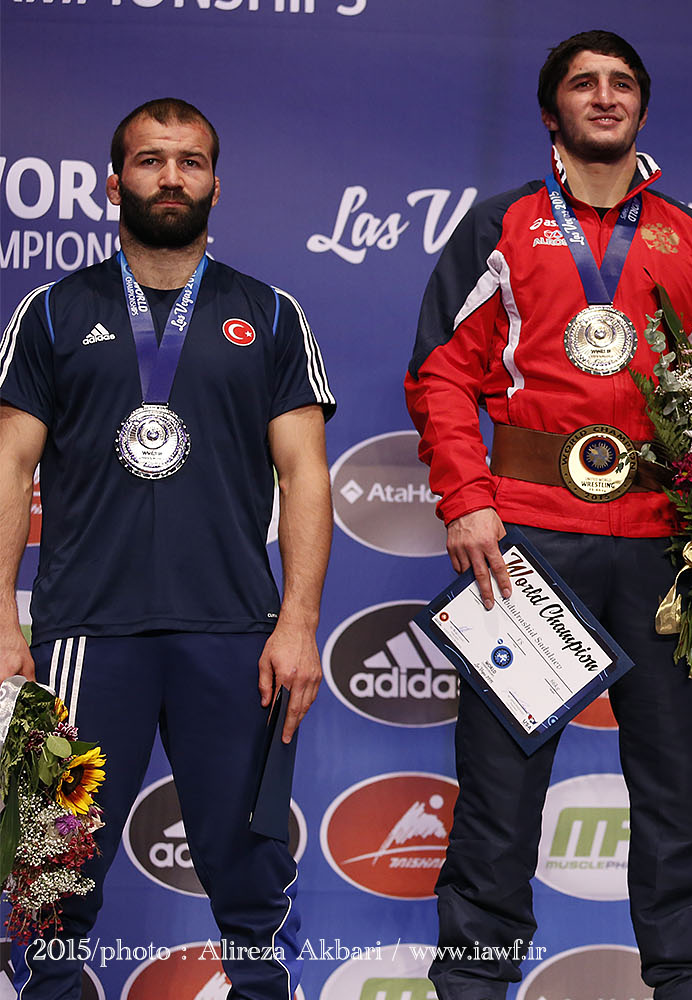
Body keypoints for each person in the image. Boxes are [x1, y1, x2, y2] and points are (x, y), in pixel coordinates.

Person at [404, 29, 692, 1000]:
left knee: (679, 791)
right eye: (584, 83)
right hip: (526, 541)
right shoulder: (503, 224)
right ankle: (475, 985)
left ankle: (689, 982)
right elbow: (441, 372)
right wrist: (467, 501)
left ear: (642, 105)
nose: (605, 96)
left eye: (622, 82)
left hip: (669, 546)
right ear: (552, 109)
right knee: (500, 793)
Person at [0, 98, 335, 999]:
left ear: (217, 184)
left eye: (190, 161)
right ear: (115, 184)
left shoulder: (270, 314)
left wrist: (299, 622)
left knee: (254, 881)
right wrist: (1, 620)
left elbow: (305, 475)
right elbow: (10, 466)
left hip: (234, 636)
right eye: (151, 160)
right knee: (50, 876)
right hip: (83, 635)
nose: (172, 177)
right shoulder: (52, 313)